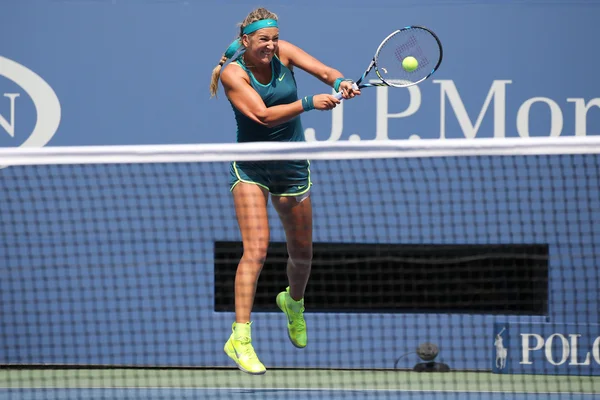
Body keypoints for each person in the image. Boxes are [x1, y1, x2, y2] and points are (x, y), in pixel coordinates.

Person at [209, 7, 360, 375]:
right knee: (256, 250)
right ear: (246, 41)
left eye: (275, 39)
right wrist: (309, 103)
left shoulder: (284, 52)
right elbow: (261, 115)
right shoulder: (233, 73)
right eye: (264, 40)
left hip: (292, 166)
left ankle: (293, 302)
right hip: (251, 167)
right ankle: (240, 337)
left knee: (302, 254)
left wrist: (339, 81)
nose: (272, 46)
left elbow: (325, 71)